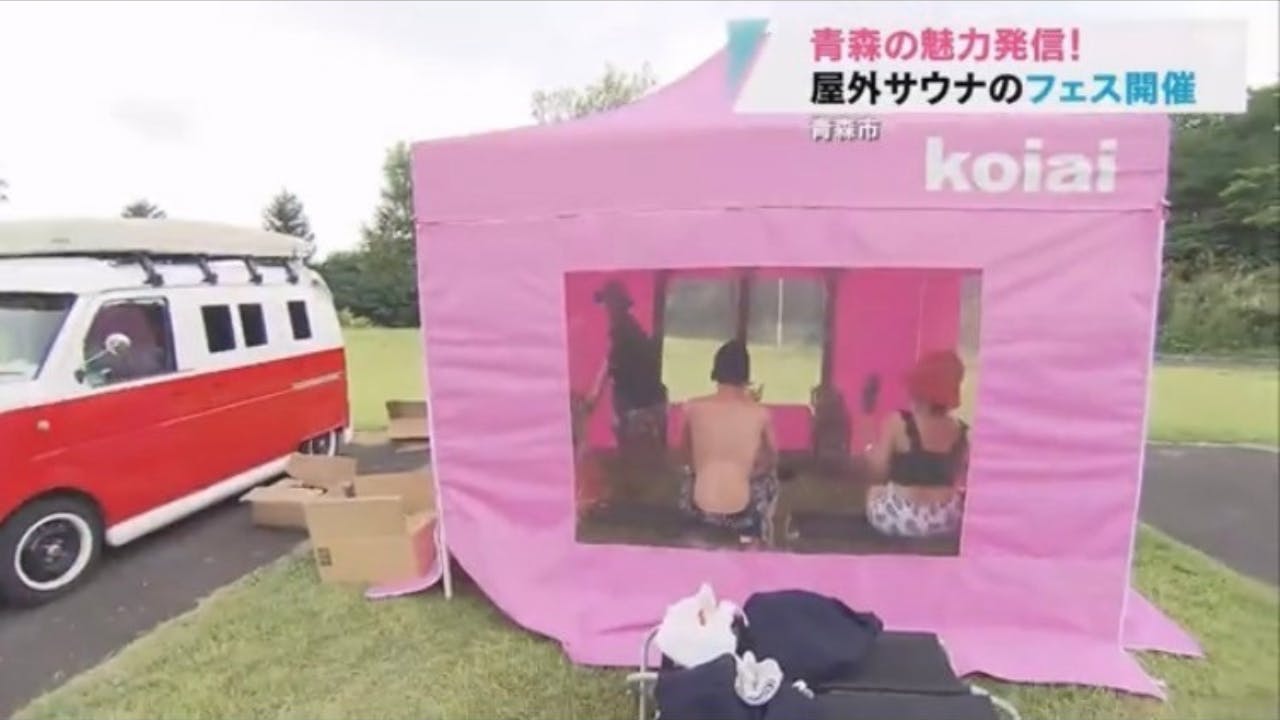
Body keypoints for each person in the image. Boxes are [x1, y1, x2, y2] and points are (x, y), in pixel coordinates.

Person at [678, 339, 780, 548]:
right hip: (742, 509)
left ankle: (692, 533)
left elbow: (684, 454)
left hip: (700, 504)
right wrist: (747, 471)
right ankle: (756, 540)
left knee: (691, 475)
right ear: (746, 376)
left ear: (715, 370)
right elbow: (771, 459)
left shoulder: (692, 408)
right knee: (770, 481)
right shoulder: (760, 414)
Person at [864, 350, 970, 539]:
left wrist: (870, 451)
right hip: (944, 519)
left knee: (875, 492)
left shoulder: (899, 423)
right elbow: (963, 476)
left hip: (902, 516)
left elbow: (878, 471)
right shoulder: (960, 432)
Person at [584, 280, 669, 453]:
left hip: (637, 410)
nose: (607, 309)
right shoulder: (630, 331)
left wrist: (591, 401)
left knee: (630, 455)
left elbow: (608, 367)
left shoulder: (623, 332)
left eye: (610, 303)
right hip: (650, 406)